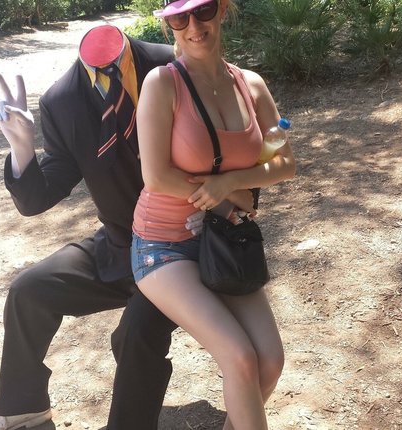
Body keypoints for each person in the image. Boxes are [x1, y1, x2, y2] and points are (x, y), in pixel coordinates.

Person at [0, 24, 199, 430]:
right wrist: (22, 148)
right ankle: (24, 409)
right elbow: (39, 196)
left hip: (180, 247)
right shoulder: (62, 100)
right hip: (120, 244)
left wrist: (216, 205)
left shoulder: (172, 65)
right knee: (29, 291)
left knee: (135, 333)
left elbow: (220, 143)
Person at [130, 0, 296, 429]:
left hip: (222, 237)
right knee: (240, 356)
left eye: (202, 10)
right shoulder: (162, 84)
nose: (193, 25)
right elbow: (157, 176)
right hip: (163, 243)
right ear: (169, 25)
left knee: (270, 361)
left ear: (222, 10)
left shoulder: (251, 85)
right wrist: (228, 197)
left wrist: (232, 183)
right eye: (179, 17)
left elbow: (285, 164)